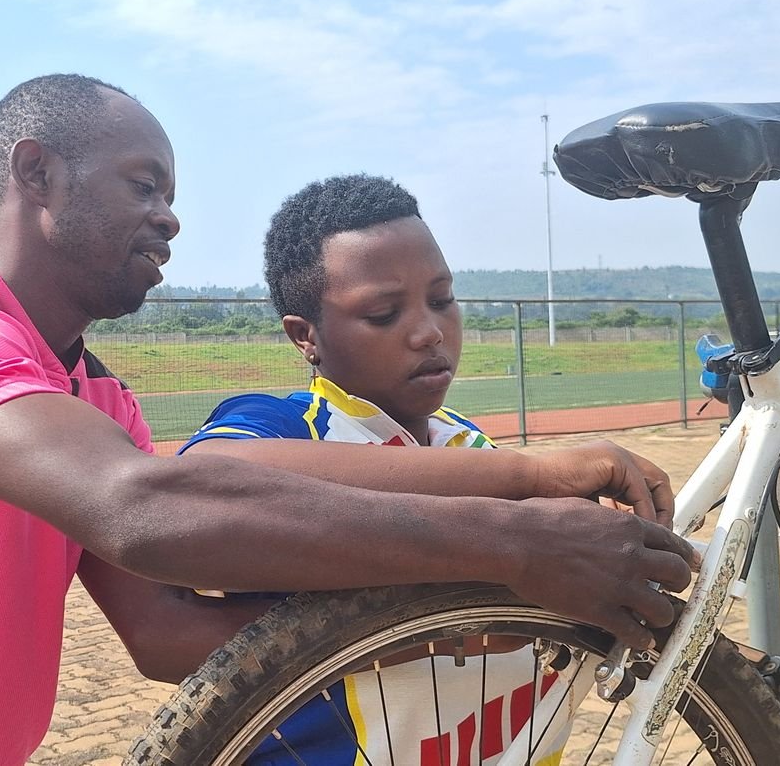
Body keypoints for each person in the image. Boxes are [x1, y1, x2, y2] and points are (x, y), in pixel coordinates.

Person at [0, 74, 697, 766]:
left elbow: (165, 628)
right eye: (145, 186)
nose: (172, 218)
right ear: (36, 173)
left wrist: (449, 619)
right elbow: (144, 506)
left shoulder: (90, 393)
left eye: (173, 195)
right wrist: (515, 538)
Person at [175, 173, 575, 763]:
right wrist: (532, 477)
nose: (429, 331)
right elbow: (202, 477)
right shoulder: (286, 427)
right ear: (304, 335)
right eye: (385, 313)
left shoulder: (468, 448)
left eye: (441, 299)